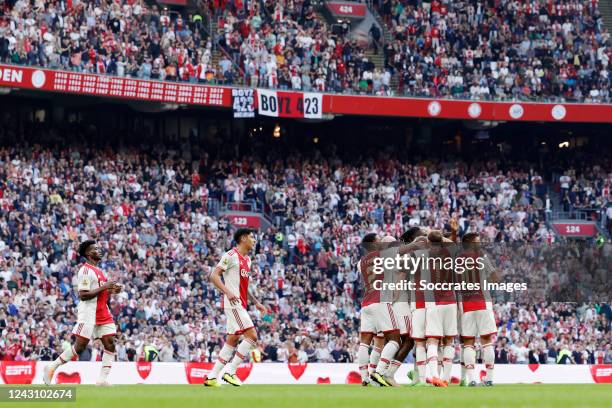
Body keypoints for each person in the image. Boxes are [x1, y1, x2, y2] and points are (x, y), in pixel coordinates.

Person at [43, 240, 121, 386]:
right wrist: (105, 286)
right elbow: (83, 295)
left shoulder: (99, 270)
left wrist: (112, 290)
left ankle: (102, 380)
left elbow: (101, 291)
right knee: (80, 346)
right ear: (88, 253)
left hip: (103, 310)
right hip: (88, 311)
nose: (99, 250)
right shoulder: (85, 271)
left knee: (110, 343)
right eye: (95, 249)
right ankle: (51, 367)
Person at [204, 228, 267, 387]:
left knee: (232, 339)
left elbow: (244, 286)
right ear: (244, 238)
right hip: (233, 304)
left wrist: (256, 302)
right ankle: (230, 371)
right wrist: (227, 292)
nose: (254, 241)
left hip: (241, 303)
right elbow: (214, 276)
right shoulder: (230, 256)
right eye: (252, 237)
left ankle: (212, 376)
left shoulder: (247, 260)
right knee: (252, 336)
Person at [355, 233, 401, 387]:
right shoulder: (384, 255)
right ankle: (379, 372)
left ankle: (364, 377)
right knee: (395, 340)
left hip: (367, 303)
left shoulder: (360, 262)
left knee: (365, 343)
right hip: (381, 300)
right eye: (378, 240)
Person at [456, 232, 498, 386]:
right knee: (486, 341)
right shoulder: (481, 256)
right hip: (482, 302)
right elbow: (496, 278)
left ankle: (472, 378)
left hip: (466, 305)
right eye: (477, 241)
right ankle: (489, 378)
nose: (480, 244)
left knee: (468, 343)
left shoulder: (457, 260)